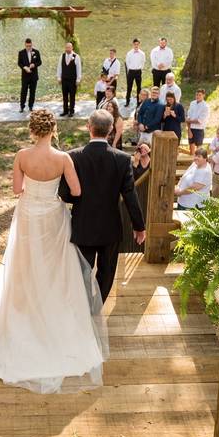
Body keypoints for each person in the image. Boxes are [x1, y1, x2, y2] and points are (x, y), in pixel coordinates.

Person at [0, 109, 107, 394]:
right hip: (53, 217)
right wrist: (54, 193)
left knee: (26, 266)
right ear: (53, 130)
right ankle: (55, 314)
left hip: (29, 215)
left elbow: (17, 189)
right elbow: (77, 192)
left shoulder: (21, 155)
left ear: (33, 130)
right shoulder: (63, 158)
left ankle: (26, 314)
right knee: (56, 267)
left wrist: (34, 189)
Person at [60, 110, 145, 303]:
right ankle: (97, 305)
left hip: (83, 225)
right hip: (110, 227)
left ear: (89, 128)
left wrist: (81, 201)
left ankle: (82, 306)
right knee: (107, 271)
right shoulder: (123, 159)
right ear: (111, 131)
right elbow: (130, 195)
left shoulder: (73, 157)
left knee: (82, 270)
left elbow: (64, 194)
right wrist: (139, 226)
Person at [56, 42, 82, 118]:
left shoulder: (76, 56)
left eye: (69, 48)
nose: (67, 49)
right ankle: (65, 110)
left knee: (72, 96)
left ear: (72, 48)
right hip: (64, 79)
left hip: (72, 80)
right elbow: (59, 67)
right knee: (64, 95)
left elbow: (79, 69)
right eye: (66, 47)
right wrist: (59, 77)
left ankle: (71, 111)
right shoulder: (62, 56)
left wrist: (78, 79)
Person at [18, 38, 42, 114]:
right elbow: (19, 63)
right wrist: (24, 67)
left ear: (32, 44)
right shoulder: (21, 53)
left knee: (32, 92)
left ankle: (31, 106)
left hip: (33, 76)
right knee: (23, 91)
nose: (28, 47)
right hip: (25, 76)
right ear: (25, 45)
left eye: (30, 46)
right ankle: (22, 106)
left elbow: (40, 62)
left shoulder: (36, 52)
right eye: (27, 46)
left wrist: (34, 64)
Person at [185, 88, 210, 155]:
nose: (198, 96)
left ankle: (199, 164)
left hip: (199, 129)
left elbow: (200, 121)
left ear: (203, 95)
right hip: (191, 128)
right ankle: (192, 164)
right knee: (191, 149)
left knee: (199, 150)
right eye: (196, 95)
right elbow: (188, 116)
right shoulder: (192, 103)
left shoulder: (205, 106)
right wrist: (189, 130)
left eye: (199, 95)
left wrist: (189, 121)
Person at [124, 38, 145, 107]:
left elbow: (143, 62)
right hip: (131, 72)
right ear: (133, 44)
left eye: (137, 44)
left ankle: (139, 102)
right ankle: (127, 101)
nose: (136, 46)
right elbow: (127, 62)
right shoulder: (129, 53)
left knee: (139, 87)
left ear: (139, 44)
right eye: (135, 44)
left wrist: (140, 69)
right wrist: (131, 69)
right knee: (129, 87)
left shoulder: (142, 53)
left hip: (138, 71)